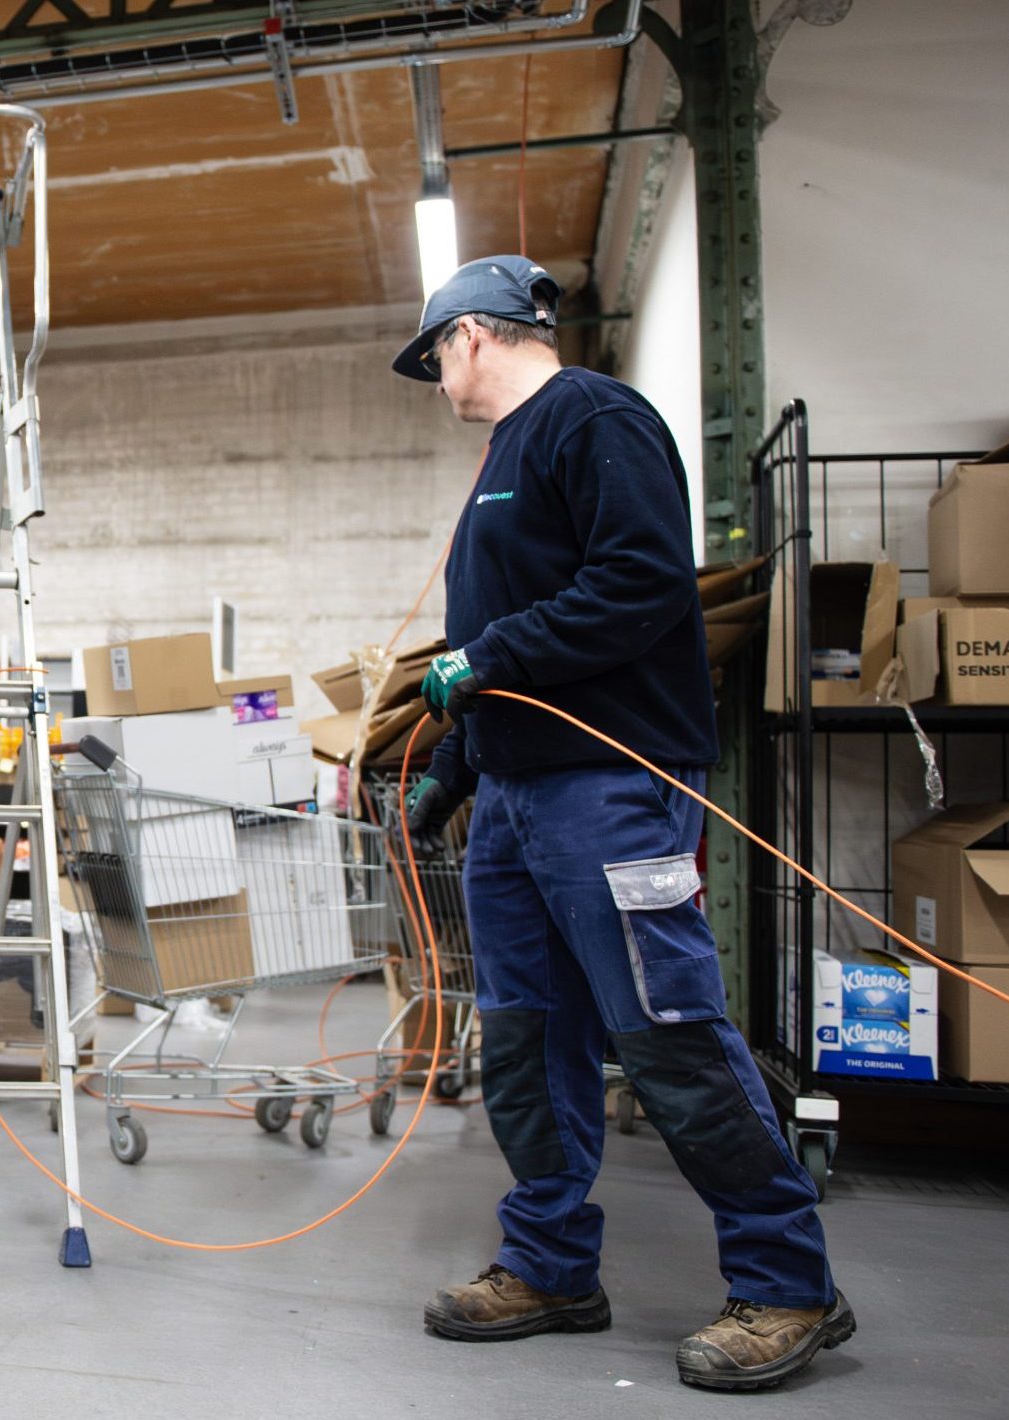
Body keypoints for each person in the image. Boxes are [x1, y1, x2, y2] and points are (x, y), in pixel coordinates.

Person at [393, 256, 852, 1391]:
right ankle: (549, 1264)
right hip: (515, 797)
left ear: (470, 336)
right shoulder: (505, 459)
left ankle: (787, 1280)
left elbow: (640, 584)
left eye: (434, 357)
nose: (437, 380)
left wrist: (485, 659)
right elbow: (501, 654)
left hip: (605, 784)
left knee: (665, 1029)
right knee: (526, 1039)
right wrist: (451, 770)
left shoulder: (595, 419)